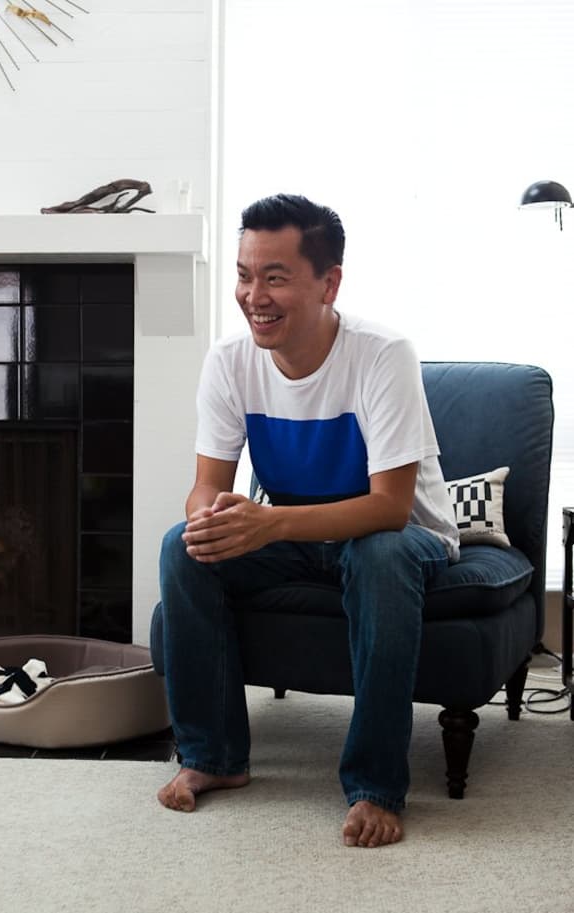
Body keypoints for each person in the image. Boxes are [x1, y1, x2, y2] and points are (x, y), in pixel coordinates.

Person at [156, 193, 459, 848]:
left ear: (330, 283)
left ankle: (376, 786)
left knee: (379, 554)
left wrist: (267, 523)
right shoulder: (230, 361)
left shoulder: (382, 354)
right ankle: (212, 755)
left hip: (401, 538)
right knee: (181, 547)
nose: (253, 295)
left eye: (274, 276)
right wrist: (212, 520)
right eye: (243, 274)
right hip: (297, 536)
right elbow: (207, 485)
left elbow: (392, 507)